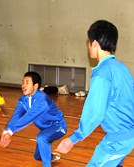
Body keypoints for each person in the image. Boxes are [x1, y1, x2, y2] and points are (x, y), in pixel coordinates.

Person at [56, 20, 134, 167]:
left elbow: (95, 111)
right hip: (128, 136)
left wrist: (74, 138)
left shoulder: (102, 73)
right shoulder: (122, 69)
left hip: (117, 140)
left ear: (95, 44)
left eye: (89, 42)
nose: (88, 46)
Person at [0, 71, 67, 167]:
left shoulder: (42, 100)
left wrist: (11, 132)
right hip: (45, 129)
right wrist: (7, 130)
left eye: (27, 82)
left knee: (41, 138)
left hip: (58, 126)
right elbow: (17, 116)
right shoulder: (23, 100)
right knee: (37, 156)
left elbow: (29, 117)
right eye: (23, 82)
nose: (23, 85)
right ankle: (50, 157)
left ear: (35, 86)